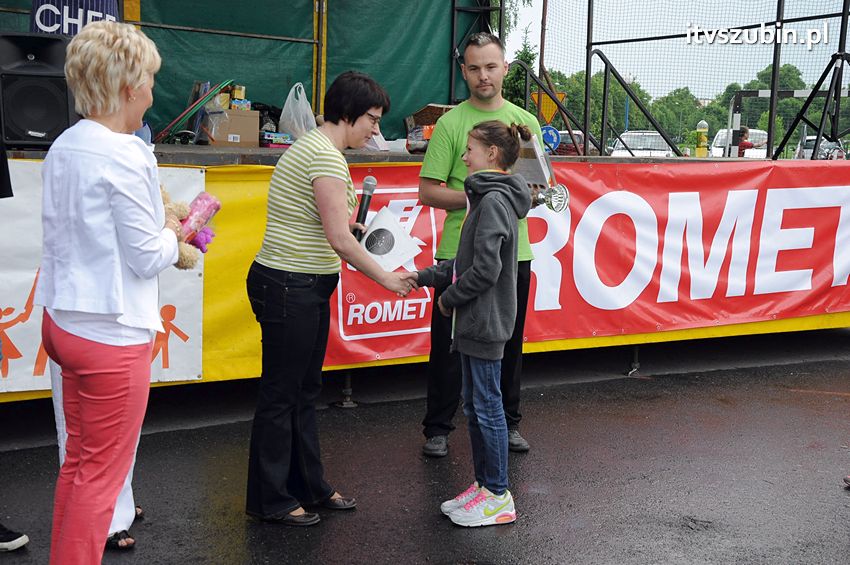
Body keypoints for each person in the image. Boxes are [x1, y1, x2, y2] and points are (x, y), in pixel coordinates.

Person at [33, 21, 178, 564]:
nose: (152, 93)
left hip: (65, 322)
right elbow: (148, 255)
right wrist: (178, 233)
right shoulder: (127, 153)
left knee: (78, 466)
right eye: (148, 81)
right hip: (111, 335)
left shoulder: (65, 145)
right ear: (126, 87)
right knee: (100, 478)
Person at [245, 71, 415, 527]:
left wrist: (345, 228)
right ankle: (271, 499)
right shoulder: (324, 156)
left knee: (302, 391)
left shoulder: (318, 149)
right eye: (372, 120)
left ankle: (308, 486)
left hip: (299, 283)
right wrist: (388, 279)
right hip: (289, 285)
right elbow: (340, 240)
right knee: (283, 394)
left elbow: (326, 225)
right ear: (348, 114)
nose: (375, 131)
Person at [418, 32, 543, 458]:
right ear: (464, 71)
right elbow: (428, 192)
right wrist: (482, 196)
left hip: (515, 255)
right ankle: (438, 428)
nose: (483, 75)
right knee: (448, 345)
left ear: (506, 68)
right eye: (474, 68)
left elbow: (538, 188)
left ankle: (509, 424)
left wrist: (529, 194)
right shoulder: (451, 124)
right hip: (457, 251)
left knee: (509, 341)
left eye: (491, 66)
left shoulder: (524, 122)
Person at [412, 120, 533, 527]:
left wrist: (447, 300)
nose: (464, 156)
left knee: (487, 407)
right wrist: (426, 278)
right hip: (473, 322)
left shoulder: (494, 202)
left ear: (491, 155)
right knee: (477, 407)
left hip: (483, 322)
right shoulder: (486, 198)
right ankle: (485, 486)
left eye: (470, 149)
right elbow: (466, 264)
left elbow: (484, 271)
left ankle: (498, 494)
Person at [49, 359, 143, 550]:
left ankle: (118, 502)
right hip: (82, 333)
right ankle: (95, 512)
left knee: (127, 417)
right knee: (80, 421)